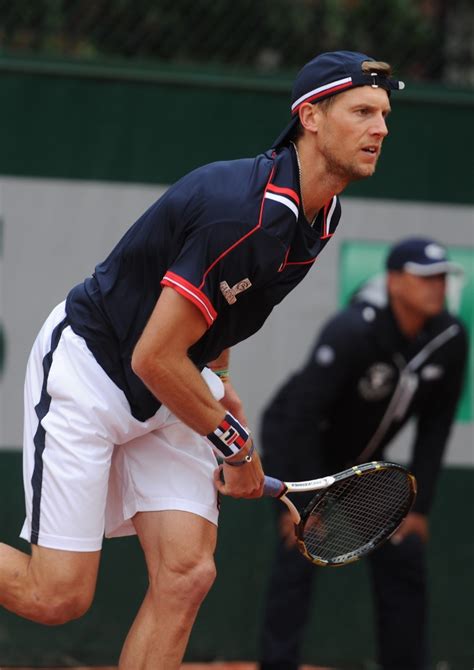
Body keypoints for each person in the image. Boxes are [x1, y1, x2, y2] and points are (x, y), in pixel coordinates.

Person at [0, 50, 404, 669]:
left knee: (186, 575)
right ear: (312, 117)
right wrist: (235, 448)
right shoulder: (244, 213)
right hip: (93, 371)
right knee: (56, 598)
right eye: (362, 111)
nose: (380, 127)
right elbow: (153, 356)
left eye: (384, 113)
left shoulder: (320, 217)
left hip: (172, 386)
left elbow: (224, 309)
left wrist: (217, 377)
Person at [259, 237, 468, 670]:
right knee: (298, 558)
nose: (436, 287)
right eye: (424, 278)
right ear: (394, 282)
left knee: (403, 555)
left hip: (364, 463)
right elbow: (301, 413)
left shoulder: (450, 338)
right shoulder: (354, 330)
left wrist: (420, 508)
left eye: (442, 278)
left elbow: (435, 429)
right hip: (302, 448)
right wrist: (299, 504)